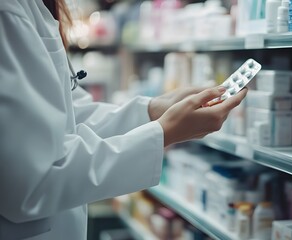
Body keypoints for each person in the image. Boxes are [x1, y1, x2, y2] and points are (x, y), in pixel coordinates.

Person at [0, 0, 247, 239]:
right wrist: (163, 132)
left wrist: (152, 111)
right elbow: (33, 182)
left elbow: (70, 116)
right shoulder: (9, 11)